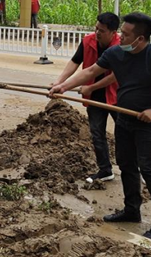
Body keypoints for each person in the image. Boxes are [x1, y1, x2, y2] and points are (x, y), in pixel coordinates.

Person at [49, 12, 151, 242]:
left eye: (126, 34)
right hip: (124, 117)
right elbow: (90, 71)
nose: (120, 37)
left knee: (150, 168)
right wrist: (63, 86)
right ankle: (132, 210)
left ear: (140, 39)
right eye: (121, 32)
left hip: (148, 123)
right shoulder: (115, 53)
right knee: (126, 164)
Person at [51, 12, 121, 184]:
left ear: (113, 32)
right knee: (97, 133)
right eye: (96, 28)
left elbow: (115, 76)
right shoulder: (88, 41)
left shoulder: (120, 47)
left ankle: (134, 168)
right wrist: (59, 83)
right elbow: (75, 62)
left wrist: (90, 87)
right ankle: (105, 170)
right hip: (95, 95)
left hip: (117, 95)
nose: (97, 33)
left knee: (126, 133)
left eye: (102, 31)